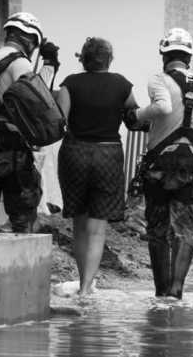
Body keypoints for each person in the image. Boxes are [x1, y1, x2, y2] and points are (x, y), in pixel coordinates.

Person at [127, 28, 193, 299]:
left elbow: (163, 109)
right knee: (184, 231)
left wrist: (137, 115)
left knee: (158, 231)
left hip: (160, 169)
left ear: (164, 55)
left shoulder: (159, 79)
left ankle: (161, 293)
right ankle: (177, 291)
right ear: (189, 57)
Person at [56, 37, 137, 296]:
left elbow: (60, 120)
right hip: (108, 154)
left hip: (74, 153)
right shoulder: (122, 85)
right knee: (97, 227)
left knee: (79, 223)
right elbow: (134, 119)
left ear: (84, 59)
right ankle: (86, 287)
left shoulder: (70, 83)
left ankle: (83, 284)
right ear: (109, 59)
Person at [0, 12, 59, 233]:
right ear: (30, 39)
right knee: (24, 222)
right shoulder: (19, 63)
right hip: (12, 151)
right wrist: (50, 65)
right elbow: (40, 101)